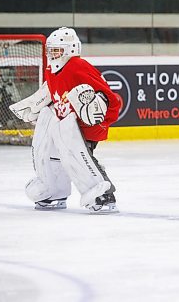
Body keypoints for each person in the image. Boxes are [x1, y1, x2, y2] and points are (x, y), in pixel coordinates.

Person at [9, 27, 120, 213]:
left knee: (79, 159)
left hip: (85, 126)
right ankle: (54, 192)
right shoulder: (51, 68)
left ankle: (104, 196)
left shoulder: (78, 65)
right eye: (50, 50)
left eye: (57, 50)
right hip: (64, 122)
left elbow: (108, 96)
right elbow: (51, 90)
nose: (53, 54)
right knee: (49, 154)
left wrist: (97, 112)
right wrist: (35, 105)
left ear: (70, 49)